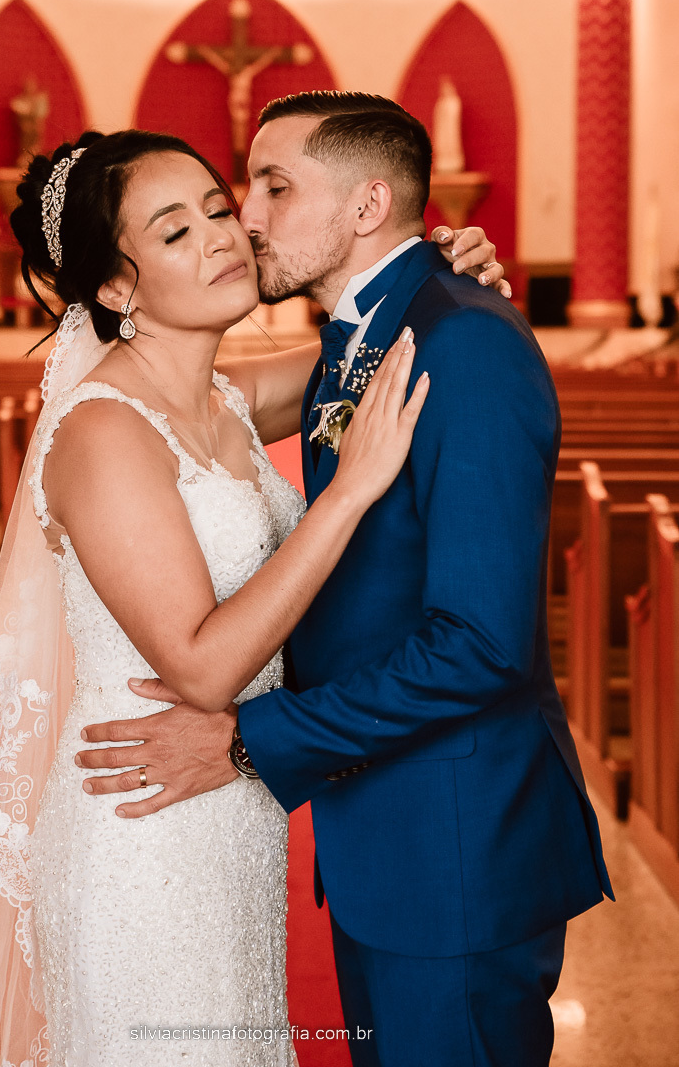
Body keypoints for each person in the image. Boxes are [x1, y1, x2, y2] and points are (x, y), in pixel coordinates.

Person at [0, 124, 505, 1067]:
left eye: (220, 208)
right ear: (114, 286)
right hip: (141, 827)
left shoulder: (226, 398)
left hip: (228, 812)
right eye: (175, 230)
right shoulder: (104, 433)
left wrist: (438, 277)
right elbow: (202, 664)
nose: (225, 236)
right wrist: (346, 492)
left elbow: (364, 350)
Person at [79, 94, 615, 1067]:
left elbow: (479, 644)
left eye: (273, 186)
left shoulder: (462, 344)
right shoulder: (355, 337)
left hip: (456, 846)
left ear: (367, 205)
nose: (245, 216)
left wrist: (246, 741)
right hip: (384, 833)